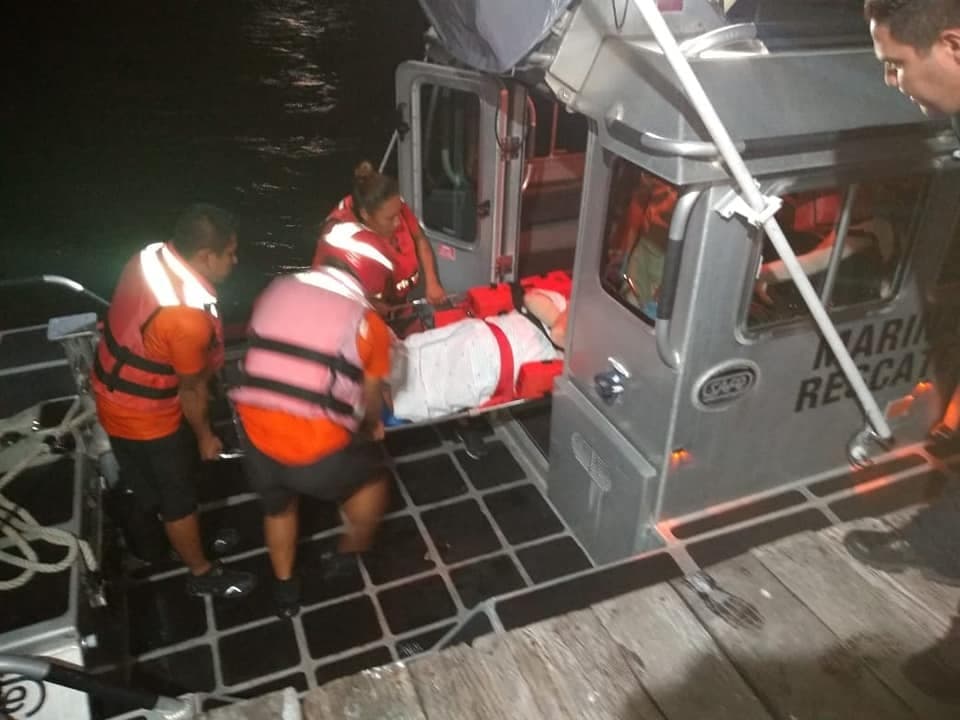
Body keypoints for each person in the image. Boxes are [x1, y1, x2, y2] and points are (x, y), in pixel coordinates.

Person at [91, 204, 256, 598]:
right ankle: (201, 573)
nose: (235, 261)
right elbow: (191, 390)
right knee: (177, 497)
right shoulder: (185, 319)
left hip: (112, 394)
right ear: (206, 256)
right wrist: (205, 437)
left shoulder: (146, 258)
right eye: (230, 253)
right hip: (145, 416)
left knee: (147, 484)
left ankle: (160, 547)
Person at [230, 233, 395, 618]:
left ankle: (286, 591)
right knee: (374, 481)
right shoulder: (368, 323)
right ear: (370, 279)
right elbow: (371, 399)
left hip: (255, 435)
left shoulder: (276, 288)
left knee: (278, 510)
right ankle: (348, 555)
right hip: (316, 451)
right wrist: (371, 426)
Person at [389, 288, 568, 422]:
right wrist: (569, 319)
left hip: (488, 375)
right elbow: (554, 328)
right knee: (406, 358)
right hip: (479, 340)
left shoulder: (573, 361)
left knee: (421, 397)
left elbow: (560, 336)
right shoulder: (561, 303)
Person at [314, 161, 446, 307]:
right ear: (365, 214)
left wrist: (432, 282)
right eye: (390, 218)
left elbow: (419, 237)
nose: (398, 222)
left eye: (398, 213)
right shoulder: (347, 245)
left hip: (402, 300)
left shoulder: (391, 205)